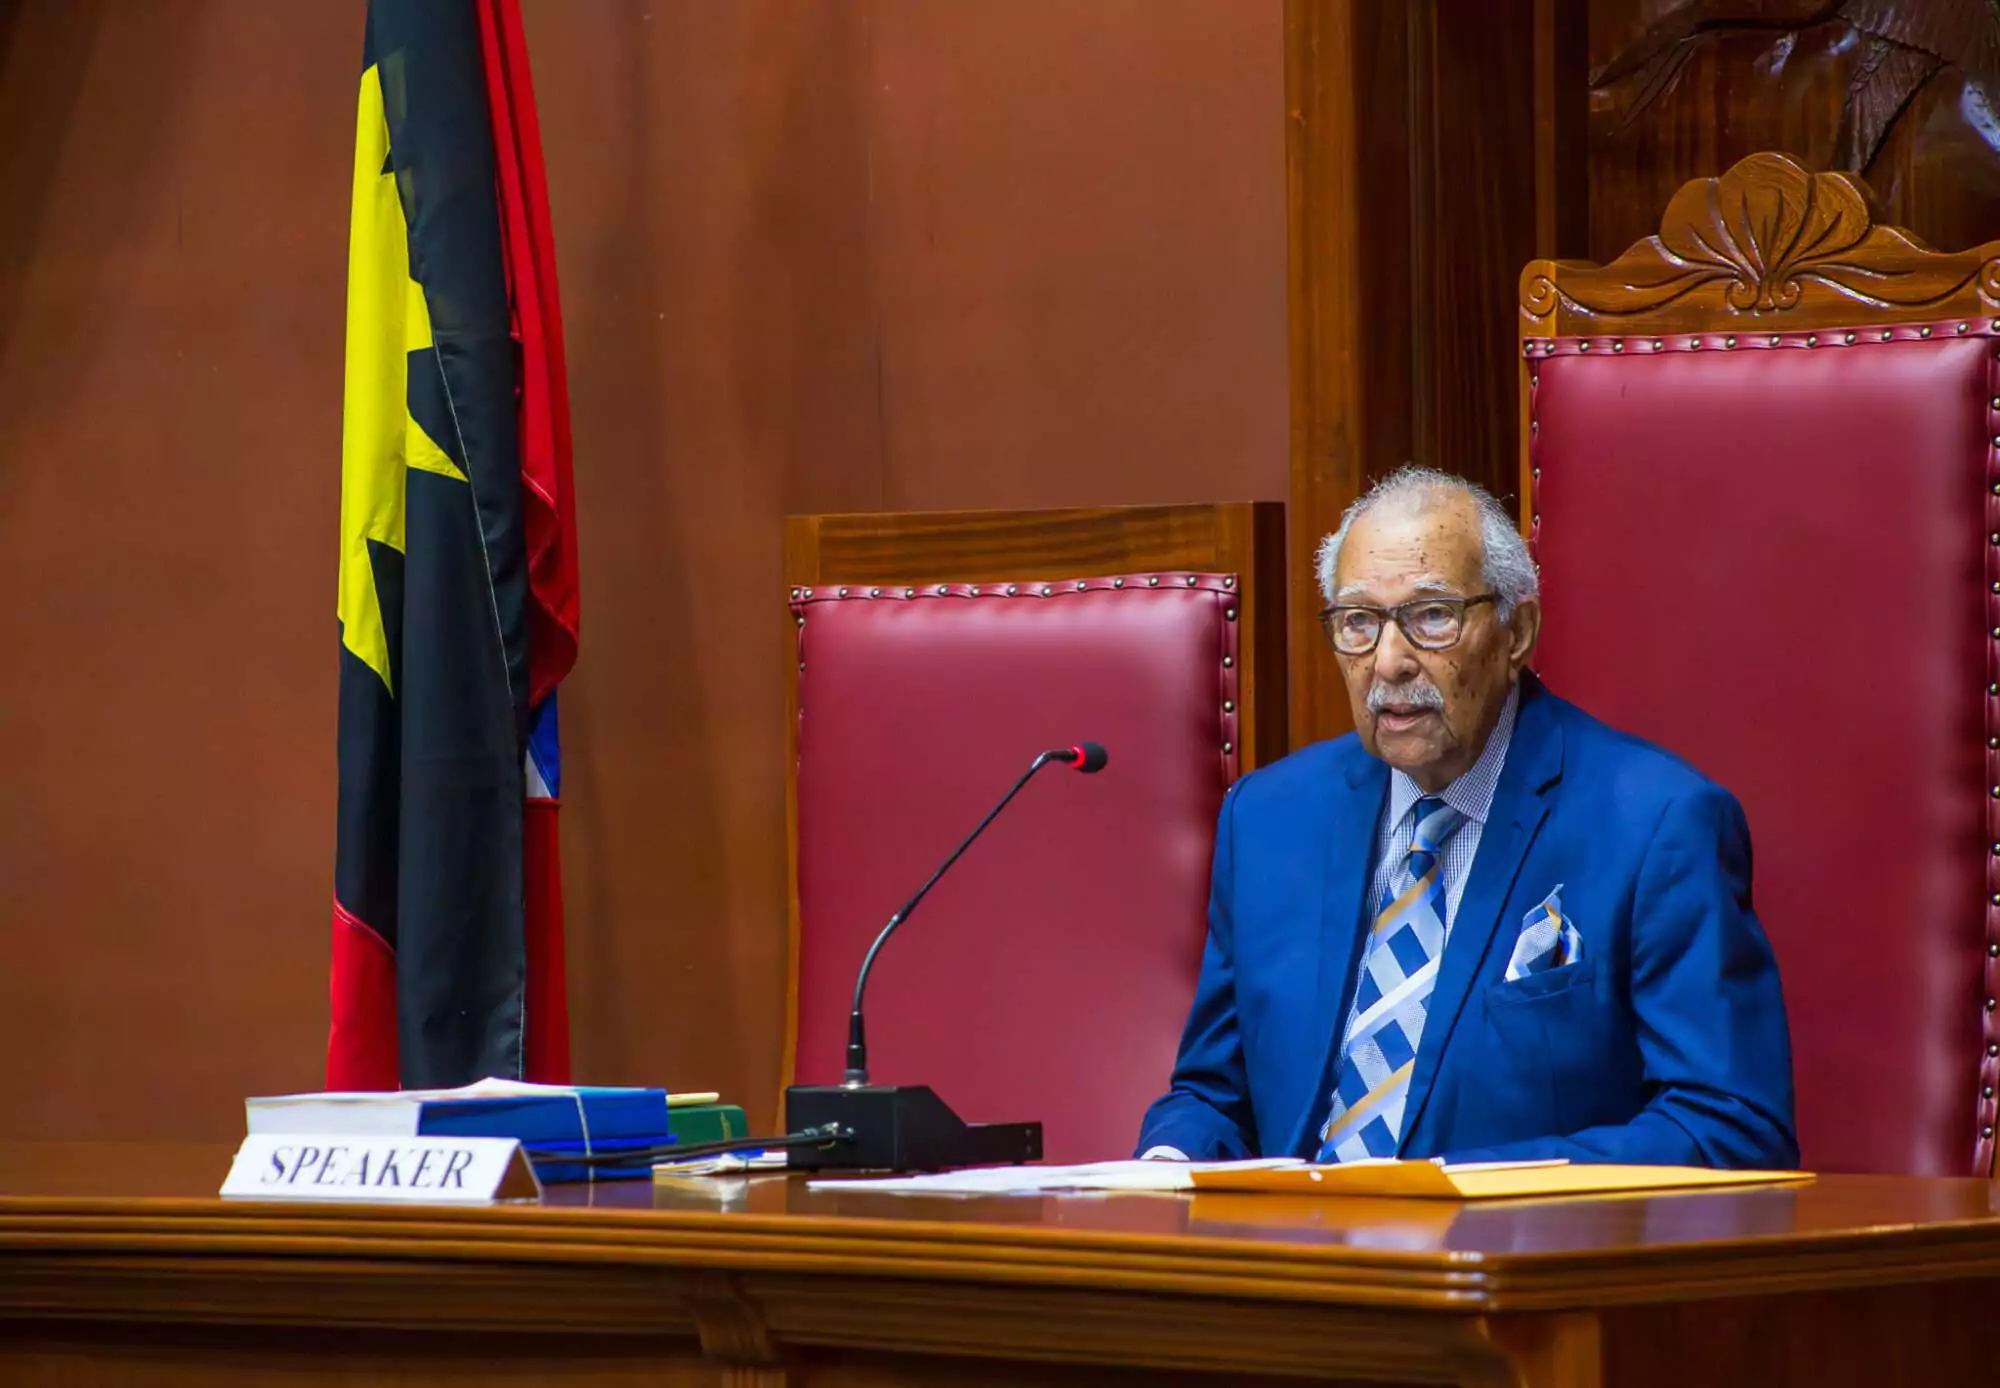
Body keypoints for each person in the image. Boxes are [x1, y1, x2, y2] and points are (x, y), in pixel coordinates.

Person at [1136, 467, 1796, 1167]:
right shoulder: (1270, 820)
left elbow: (1729, 1129)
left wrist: (1459, 1193)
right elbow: (1213, 1096)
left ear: (1517, 632)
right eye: (1358, 622)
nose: (1388, 662)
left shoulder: (1655, 824)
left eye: (1431, 616)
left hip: (1509, 1263)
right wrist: (1169, 1162)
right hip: (1298, 1265)